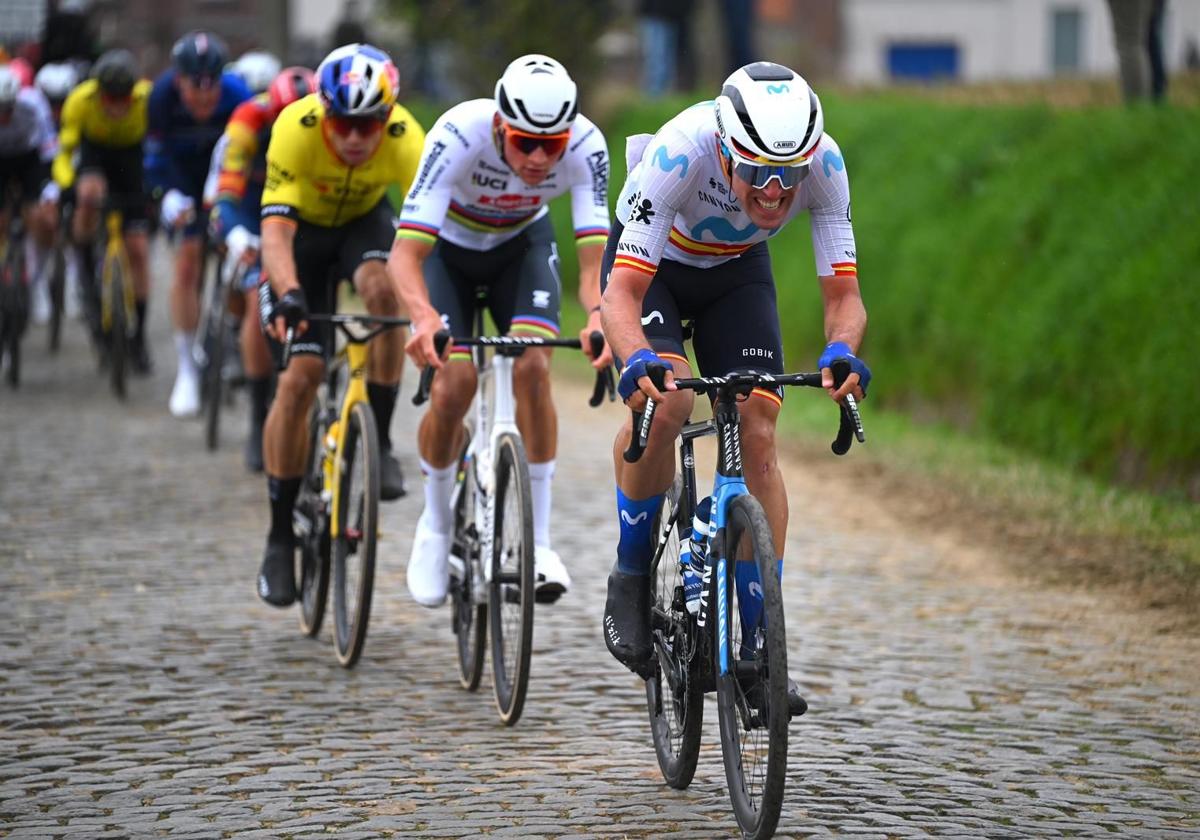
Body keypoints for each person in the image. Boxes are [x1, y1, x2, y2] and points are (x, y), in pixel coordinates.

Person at [598, 62, 870, 715]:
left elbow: (845, 296)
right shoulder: (679, 154)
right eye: (756, 172)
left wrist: (840, 350)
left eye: (790, 174)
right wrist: (635, 358)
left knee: (760, 429)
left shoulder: (825, 167)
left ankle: (759, 651)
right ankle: (631, 577)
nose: (775, 192)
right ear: (724, 149)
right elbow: (621, 294)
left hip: (737, 275)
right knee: (670, 403)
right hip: (653, 266)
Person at [392, 53, 613, 608]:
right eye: (524, 143)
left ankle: (538, 543)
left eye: (552, 146)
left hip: (522, 247)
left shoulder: (587, 147)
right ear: (498, 125)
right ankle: (437, 526)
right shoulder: (458, 135)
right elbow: (405, 255)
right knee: (453, 386)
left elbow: (594, 265)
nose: (539, 158)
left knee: (534, 364)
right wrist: (422, 317)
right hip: (450, 253)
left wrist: (598, 317)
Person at [255, 43, 425, 606]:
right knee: (300, 375)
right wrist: (289, 296)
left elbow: (429, 234)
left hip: (361, 226)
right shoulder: (294, 128)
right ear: (324, 113)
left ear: (388, 116)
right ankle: (280, 536)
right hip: (301, 237)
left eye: (369, 124)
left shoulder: (406, 137)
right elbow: (275, 235)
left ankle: (377, 440)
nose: (355, 137)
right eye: (344, 123)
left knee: (385, 289)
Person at [206, 66, 316, 472]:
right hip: (252, 211)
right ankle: (257, 413)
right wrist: (235, 233)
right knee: (257, 298)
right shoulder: (248, 123)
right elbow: (225, 191)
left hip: (300, 211)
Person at [145, 31, 251, 413]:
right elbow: (153, 158)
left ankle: (234, 332)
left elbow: (252, 153)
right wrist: (166, 194)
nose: (204, 99)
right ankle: (187, 369)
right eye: (195, 90)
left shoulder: (239, 95)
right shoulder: (161, 98)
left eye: (211, 90)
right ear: (179, 81)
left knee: (240, 255)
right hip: (182, 183)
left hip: (225, 180)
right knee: (188, 262)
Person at [50, 50, 153, 358]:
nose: (117, 106)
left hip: (131, 158)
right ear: (99, 93)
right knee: (88, 194)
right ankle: (83, 263)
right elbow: (65, 152)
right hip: (95, 156)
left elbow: (158, 146)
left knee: (138, 250)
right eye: (111, 98)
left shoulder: (146, 99)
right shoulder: (81, 101)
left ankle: (139, 335)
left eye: (124, 98)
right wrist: (67, 184)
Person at [0, 64, 58, 322]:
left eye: (8, 109)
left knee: (41, 217)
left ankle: (38, 282)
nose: (4, 117)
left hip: (29, 160)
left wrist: (50, 186)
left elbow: (49, 149)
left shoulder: (33, 104)